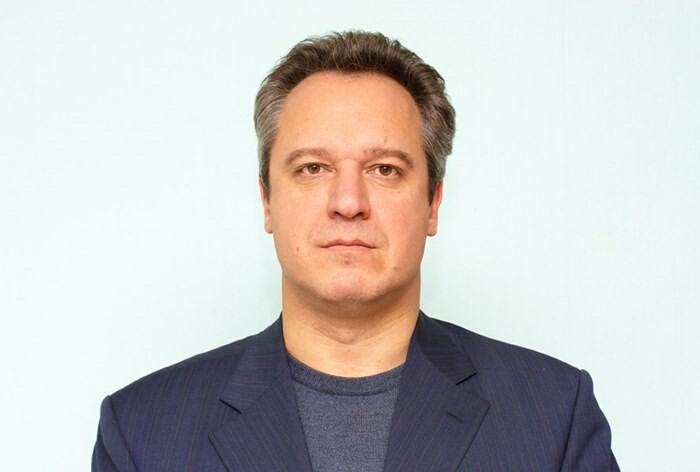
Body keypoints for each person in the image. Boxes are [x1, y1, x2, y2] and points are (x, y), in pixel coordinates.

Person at [92, 31, 619, 471]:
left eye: (384, 169)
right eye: (312, 168)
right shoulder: (142, 431)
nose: (348, 202)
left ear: (433, 203)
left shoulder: (553, 416)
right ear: (267, 201)